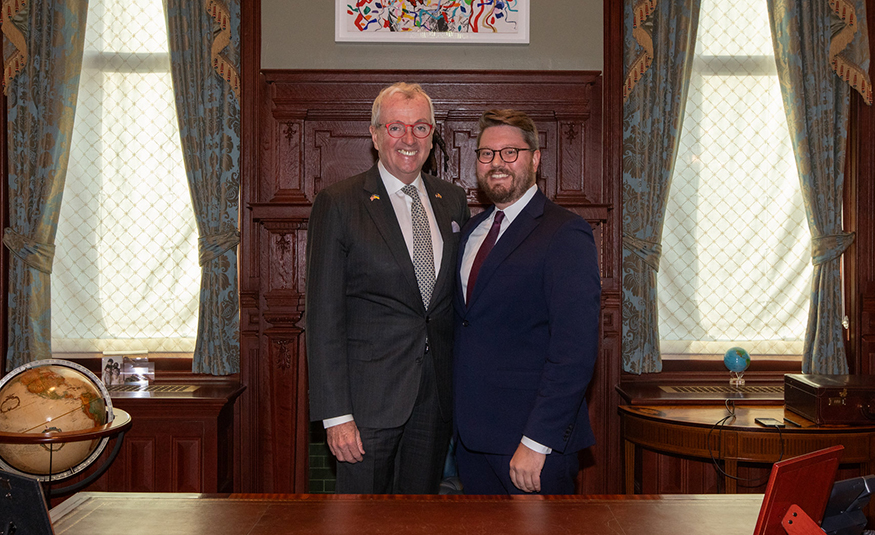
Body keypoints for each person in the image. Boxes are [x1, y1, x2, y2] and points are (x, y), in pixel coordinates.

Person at [305, 82, 470, 494]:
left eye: (420, 127)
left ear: (432, 136)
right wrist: (336, 415)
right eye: (396, 127)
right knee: (360, 521)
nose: (409, 139)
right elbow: (323, 318)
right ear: (375, 134)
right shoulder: (340, 203)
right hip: (366, 405)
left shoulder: (452, 200)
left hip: (435, 399)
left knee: (418, 518)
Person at [453, 109, 601, 495]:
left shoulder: (565, 232)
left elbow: (575, 351)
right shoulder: (472, 230)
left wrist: (536, 443)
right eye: (486, 154)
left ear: (535, 158)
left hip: (530, 448)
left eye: (509, 152)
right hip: (471, 442)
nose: (496, 163)